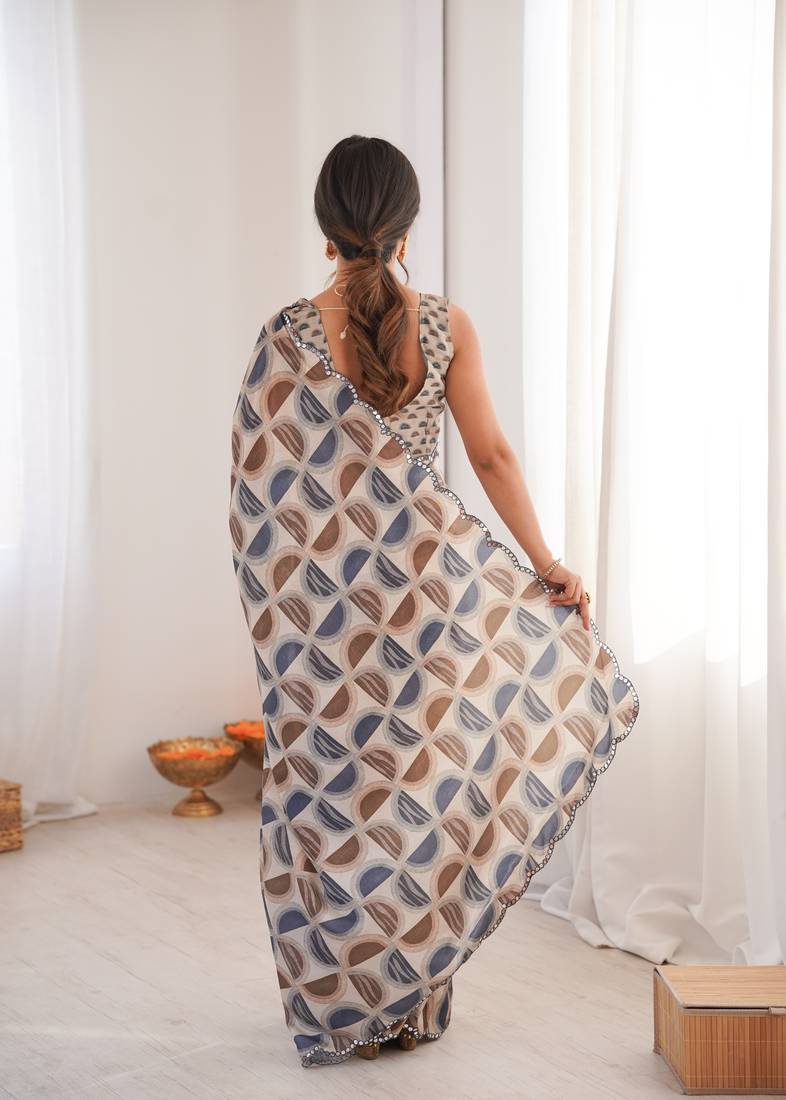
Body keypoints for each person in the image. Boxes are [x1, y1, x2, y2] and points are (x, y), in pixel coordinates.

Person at [228, 135, 639, 1068]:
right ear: (406, 229)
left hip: (329, 616)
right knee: (418, 799)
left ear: (326, 228)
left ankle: (349, 1005)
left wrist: (281, 605)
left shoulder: (286, 337)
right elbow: (490, 457)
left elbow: (260, 494)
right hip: (430, 601)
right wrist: (546, 564)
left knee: (335, 799)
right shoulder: (446, 327)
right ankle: (409, 1003)